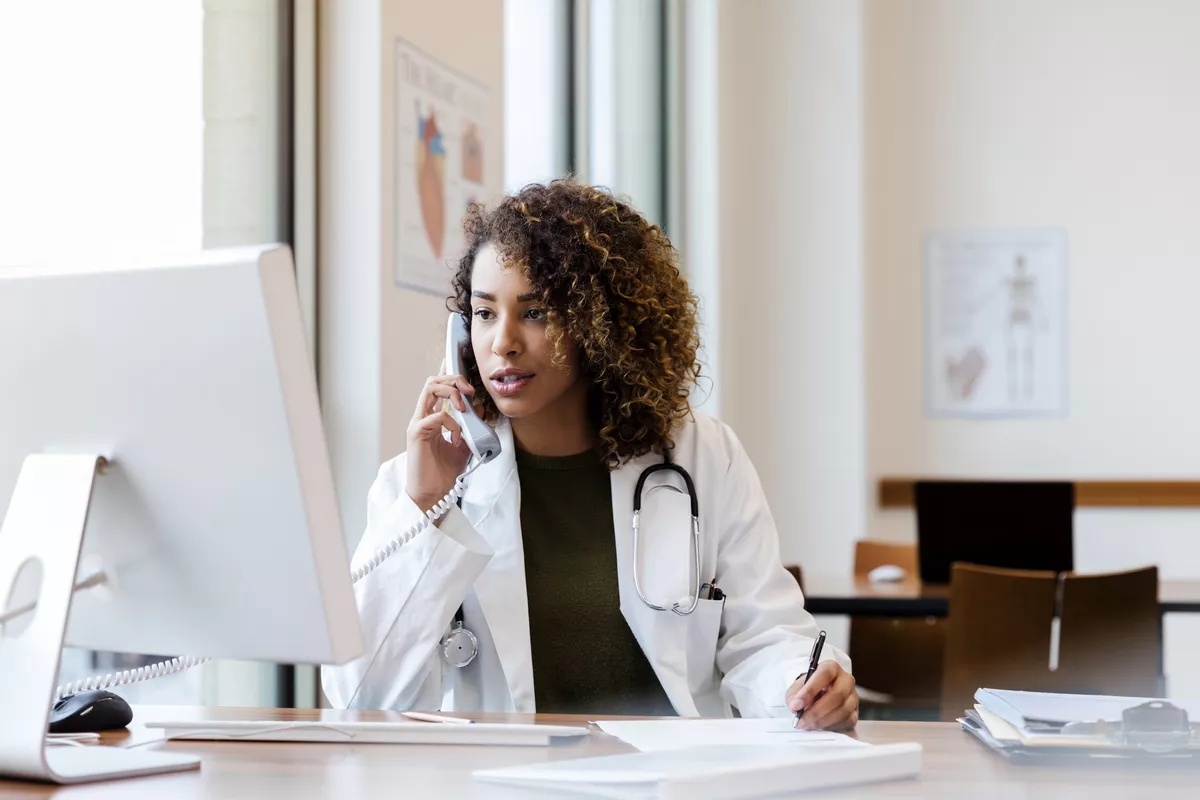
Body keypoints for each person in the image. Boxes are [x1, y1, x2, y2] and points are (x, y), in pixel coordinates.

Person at [321, 180, 857, 730]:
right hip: (506, 785)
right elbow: (362, 697)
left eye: (535, 313)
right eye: (484, 314)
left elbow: (764, 634)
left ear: (600, 326)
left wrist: (802, 687)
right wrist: (426, 505)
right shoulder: (422, 481)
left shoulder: (702, 456)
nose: (502, 342)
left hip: (671, 780)